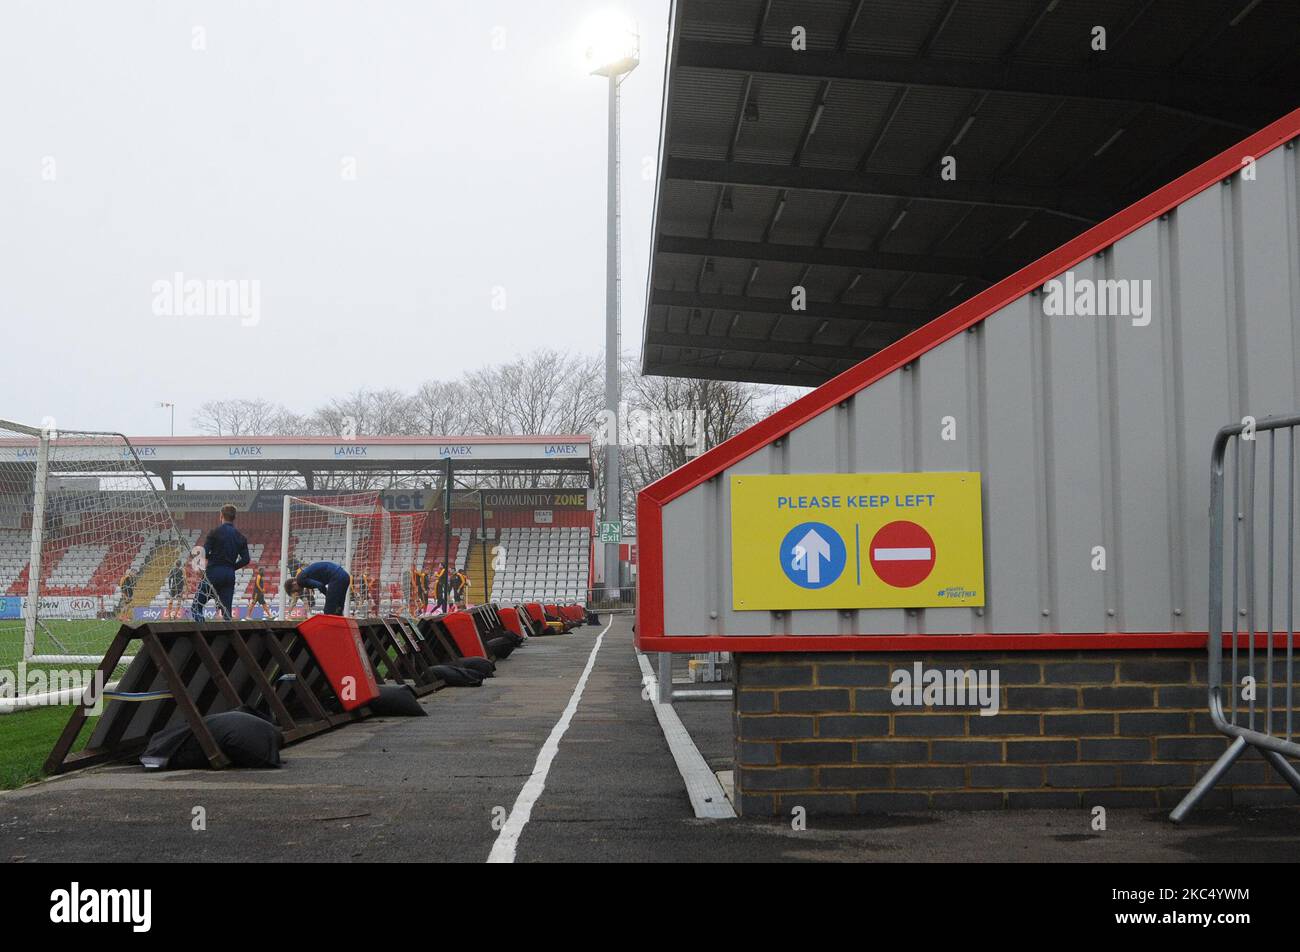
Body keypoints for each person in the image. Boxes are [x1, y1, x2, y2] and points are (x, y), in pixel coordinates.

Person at [191, 504, 250, 622]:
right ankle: (230, 637)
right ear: (234, 517)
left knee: (196, 607)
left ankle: (203, 632)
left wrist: (199, 557)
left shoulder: (215, 532)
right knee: (227, 612)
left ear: (221, 516)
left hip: (214, 572)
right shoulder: (241, 537)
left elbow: (205, 553)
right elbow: (246, 559)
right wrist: (232, 567)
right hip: (229, 574)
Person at [283, 560, 351, 616]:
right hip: (345, 576)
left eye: (295, 591)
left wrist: (328, 596)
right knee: (338, 607)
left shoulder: (300, 580)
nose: (298, 592)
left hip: (336, 577)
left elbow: (320, 585)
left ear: (294, 584)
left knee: (328, 611)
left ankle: (330, 630)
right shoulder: (303, 576)